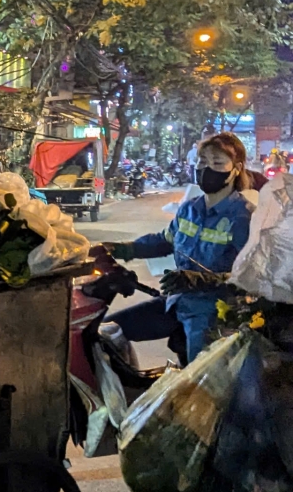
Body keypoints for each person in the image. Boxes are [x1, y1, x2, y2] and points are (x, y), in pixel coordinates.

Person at [102, 132, 254, 365]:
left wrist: (202, 279)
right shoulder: (190, 208)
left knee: (198, 381)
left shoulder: (244, 216)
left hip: (215, 313)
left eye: (217, 163)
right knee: (107, 333)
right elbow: (165, 240)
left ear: (236, 169)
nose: (206, 169)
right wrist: (123, 249)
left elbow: (252, 275)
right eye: (202, 162)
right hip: (176, 302)